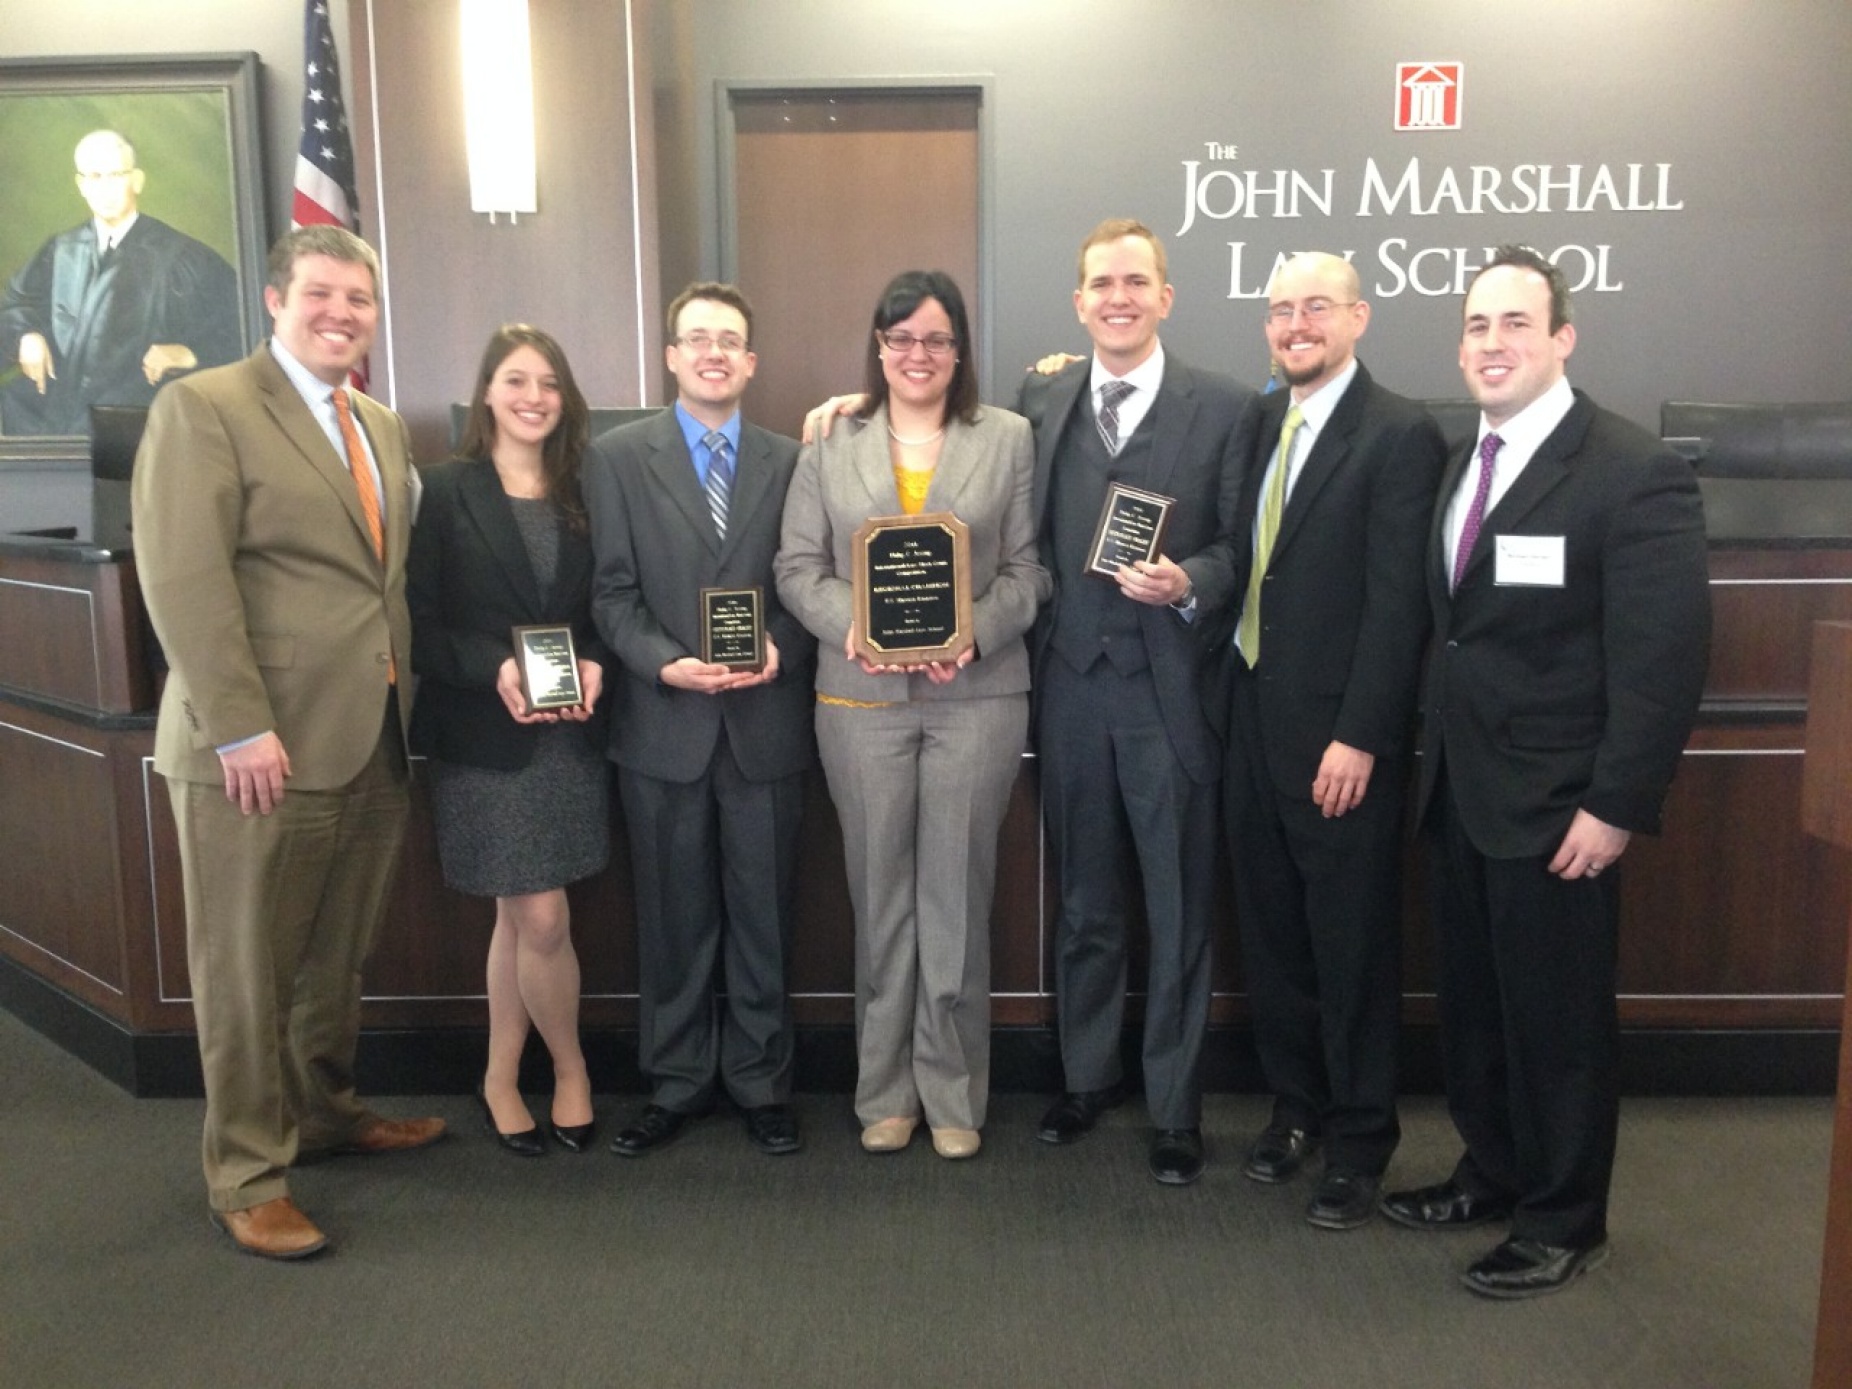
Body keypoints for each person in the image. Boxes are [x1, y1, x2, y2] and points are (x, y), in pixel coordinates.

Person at [1379, 245, 1710, 1298]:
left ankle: (1564, 1216)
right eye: (1477, 325)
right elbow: (1460, 631)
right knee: (1476, 1009)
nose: (1492, 343)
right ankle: (1493, 1171)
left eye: (1515, 324)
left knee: (1557, 1024)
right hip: (1461, 794)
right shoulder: (1455, 456)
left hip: (1561, 805)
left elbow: (1662, 661)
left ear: (1562, 338)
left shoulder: (1629, 468)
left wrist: (1615, 804)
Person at [130, 225, 444, 1261]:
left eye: (359, 299)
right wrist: (240, 726)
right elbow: (182, 576)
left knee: (332, 959)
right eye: (320, 294)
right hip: (256, 751)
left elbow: (373, 584)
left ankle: (322, 1115)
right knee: (245, 969)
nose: (340, 314)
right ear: (276, 299)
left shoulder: (380, 426)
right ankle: (246, 1173)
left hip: (367, 738)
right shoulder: (206, 407)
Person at [776, 269, 1049, 1160]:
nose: (918, 355)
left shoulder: (1007, 438)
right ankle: (884, 1090)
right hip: (860, 699)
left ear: (959, 349)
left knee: (956, 897)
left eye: (935, 339)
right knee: (880, 900)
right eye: (901, 339)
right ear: (879, 348)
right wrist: (850, 627)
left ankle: (953, 1088)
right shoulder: (828, 441)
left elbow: (1028, 573)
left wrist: (972, 634)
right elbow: (796, 568)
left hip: (976, 696)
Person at [1018, 220, 1248, 1185]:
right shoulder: (1039, 396)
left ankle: (1174, 1105)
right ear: (1079, 302)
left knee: (1178, 905)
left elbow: (1243, 546)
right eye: (1101, 283)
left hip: (1167, 695)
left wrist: (1188, 578)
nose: (1118, 296)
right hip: (1069, 688)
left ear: (1166, 296)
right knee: (1085, 903)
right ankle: (1087, 1075)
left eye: (1136, 281)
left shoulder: (1227, 407)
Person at [1220, 253, 1446, 1228]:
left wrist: (1360, 735)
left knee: (1350, 947)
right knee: (1272, 939)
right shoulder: (1263, 418)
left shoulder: (1400, 433)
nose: (1295, 324)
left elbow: (1400, 607)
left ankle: (1360, 1140)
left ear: (1357, 316)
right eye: (1279, 310)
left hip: (1339, 745)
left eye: (1315, 307)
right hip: (1250, 727)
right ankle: (1297, 1108)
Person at [585, 283, 816, 1158]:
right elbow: (610, 591)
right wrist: (660, 661)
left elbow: (807, 582)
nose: (714, 352)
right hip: (663, 725)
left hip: (766, 725)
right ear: (672, 356)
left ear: (751, 362)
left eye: (731, 340)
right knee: (672, 921)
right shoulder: (615, 458)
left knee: (764, 916)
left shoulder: (792, 459)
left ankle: (762, 1082)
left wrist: (780, 649)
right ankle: (677, 1081)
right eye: (698, 339)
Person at [407, 325, 609, 1158]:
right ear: (486, 391)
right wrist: (492, 667)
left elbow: (598, 612)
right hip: (483, 738)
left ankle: (497, 1074)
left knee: (517, 920)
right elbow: (417, 624)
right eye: (517, 380)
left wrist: (594, 664)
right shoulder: (444, 489)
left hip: (566, 736)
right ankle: (570, 1069)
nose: (534, 396)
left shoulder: (583, 490)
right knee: (542, 914)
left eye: (550, 383)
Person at [2, 129, 242, 436]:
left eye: (116, 174)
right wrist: (27, 336)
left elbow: (241, 328)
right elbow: (17, 303)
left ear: (137, 180)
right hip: (56, 405)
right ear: (81, 185)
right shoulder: (62, 249)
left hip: (134, 415)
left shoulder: (180, 257)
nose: (105, 188)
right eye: (94, 176)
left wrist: (189, 353)